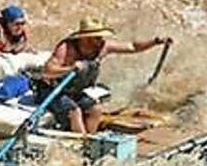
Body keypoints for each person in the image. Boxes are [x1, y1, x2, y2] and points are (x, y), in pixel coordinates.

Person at [36, 17, 173, 134]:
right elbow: (47, 70)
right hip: (53, 91)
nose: (101, 40)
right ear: (86, 38)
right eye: (97, 37)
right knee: (74, 112)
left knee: (95, 110)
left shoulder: (103, 47)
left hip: (74, 92)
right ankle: (81, 144)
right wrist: (70, 68)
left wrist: (156, 41)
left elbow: (132, 47)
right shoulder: (67, 49)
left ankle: (89, 140)